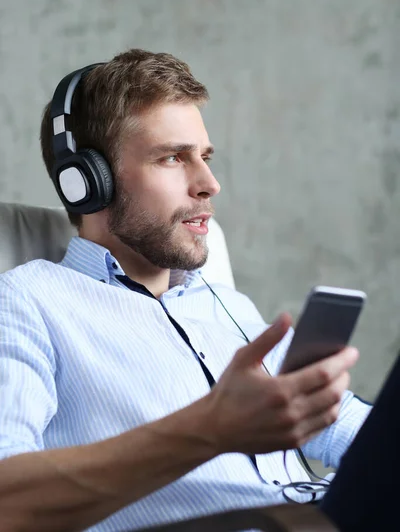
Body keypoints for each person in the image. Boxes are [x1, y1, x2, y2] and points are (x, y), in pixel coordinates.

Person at [0, 48, 390, 532]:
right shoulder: (26, 301)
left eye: (203, 157)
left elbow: (349, 431)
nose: (209, 183)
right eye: (171, 158)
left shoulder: (225, 304)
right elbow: (7, 501)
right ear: (87, 182)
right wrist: (209, 429)